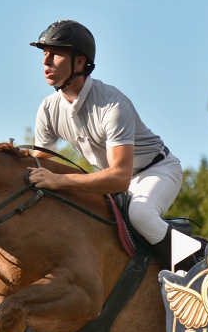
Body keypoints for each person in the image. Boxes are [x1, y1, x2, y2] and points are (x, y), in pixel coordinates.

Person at [26, 20, 184, 269]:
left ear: (79, 62)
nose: (45, 62)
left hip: (156, 171)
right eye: (45, 55)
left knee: (141, 215)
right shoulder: (48, 109)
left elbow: (120, 177)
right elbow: (39, 162)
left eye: (55, 55)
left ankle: (200, 264)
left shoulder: (112, 104)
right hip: (113, 184)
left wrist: (60, 181)